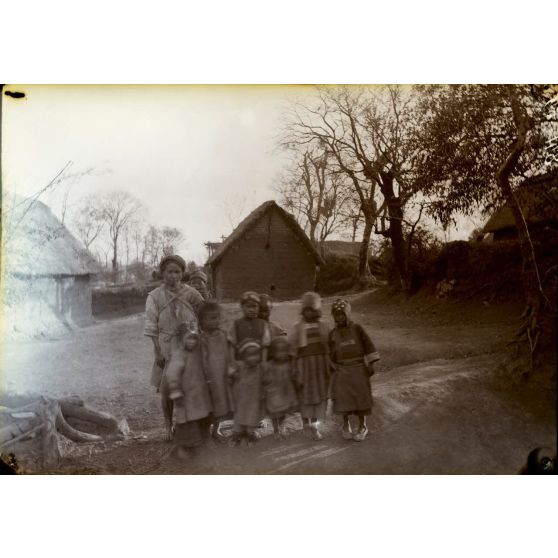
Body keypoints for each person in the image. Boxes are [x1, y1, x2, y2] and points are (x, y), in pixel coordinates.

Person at [144, 254, 204, 441]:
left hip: (191, 346)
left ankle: (192, 426)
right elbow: (152, 327)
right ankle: (168, 426)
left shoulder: (192, 294)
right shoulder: (155, 296)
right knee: (168, 390)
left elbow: (205, 314)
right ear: (162, 273)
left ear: (182, 273)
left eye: (177, 272)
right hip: (167, 348)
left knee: (192, 386)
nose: (173, 276)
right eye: (169, 272)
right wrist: (158, 351)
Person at [328, 299, 380, 442]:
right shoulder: (332, 334)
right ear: (333, 316)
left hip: (358, 370)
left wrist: (371, 364)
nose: (339, 318)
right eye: (336, 315)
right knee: (343, 399)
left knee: (360, 398)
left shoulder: (357, 329)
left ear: (348, 314)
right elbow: (329, 353)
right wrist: (331, 365)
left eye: (342, 314)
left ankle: (362, 426)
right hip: (342, 371)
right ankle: (346, 425)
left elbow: (368, 345)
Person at [289, 291, 331, 441]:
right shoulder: (298, 327)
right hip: (304, 367)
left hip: (319, 367)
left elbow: (328, 346)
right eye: (306, 309)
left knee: (318, 397)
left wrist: (329, 365)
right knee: (305, 397)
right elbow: (293, 350)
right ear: (303, 310)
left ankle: (315, 426)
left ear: (317, 310)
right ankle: (305, 425)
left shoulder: (323, 326)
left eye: (312, 309)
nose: (309, 312)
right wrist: (294, 369)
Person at [168, 329, 213, 460]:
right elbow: (172, 375)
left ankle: (200, 444)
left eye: (194, 338)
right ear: (183, 340)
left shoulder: (198, 353)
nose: (192, 341)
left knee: (201, 417)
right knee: (186, 421)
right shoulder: (179, 355)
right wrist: (176, 392)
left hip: (199, 394)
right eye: (189, 338)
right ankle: (182, 447)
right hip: (186, 395)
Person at [199, 300, 234, 441]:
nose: (216, 321)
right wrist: (206, 376)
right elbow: (203, 359)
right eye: (212, 318)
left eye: (218, 317)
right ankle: (207, 433)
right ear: (202, 320)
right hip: (212, 378)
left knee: (222, 405)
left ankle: (217, 430)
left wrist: (231, 366)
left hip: (224, 376)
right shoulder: (202, 339)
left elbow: (230, 349)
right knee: (211, 405)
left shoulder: (223, 334)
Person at [228, 340, 266, 448]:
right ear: (243, 356)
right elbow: (229, 371)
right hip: (241, 399)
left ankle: (250, 434)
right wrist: (232, 374)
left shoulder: (260, 368)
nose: (253, 358)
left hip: (254, 399)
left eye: (256, 355)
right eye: (250, 355)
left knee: (252, 418)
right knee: (239, 419)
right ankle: (236, 435)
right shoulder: (239, 365)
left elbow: (265, 380)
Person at [264, 337, 299, 440]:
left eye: (284, 351)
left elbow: (293, 377)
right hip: (274, 393)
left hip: (285, 392)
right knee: (275, 413)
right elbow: (265, 378)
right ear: (273, 352)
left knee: (283, 412)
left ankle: (281, 426)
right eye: (278, 351)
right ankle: (276, 430)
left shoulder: (288, 365)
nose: (281, 354)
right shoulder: (269, 365)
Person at [229, 291, 271, 363]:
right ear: (242, 307)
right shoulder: (236, 324)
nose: (251, 310)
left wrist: (264, 362)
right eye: (248, 306)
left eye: (254, 306)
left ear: (258, 307)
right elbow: (232, 344)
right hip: (241, 362)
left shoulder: (263, 324)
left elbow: (265, 345)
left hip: (257, 362)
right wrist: (232, 361)